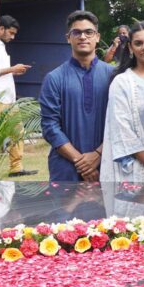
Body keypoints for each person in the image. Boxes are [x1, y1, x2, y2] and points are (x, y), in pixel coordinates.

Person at [39, 10, 116, 181]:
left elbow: (121, 123)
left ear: (97, 37)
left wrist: (97, 155)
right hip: (65, 168)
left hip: (107, 166)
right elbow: (50, 126)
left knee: (108, 208)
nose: (83, 37)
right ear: (68, 38)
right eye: (77, 32)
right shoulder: (54, 78)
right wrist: (80, 161)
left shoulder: (114, 76)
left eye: (89, 32)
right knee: (65, 208)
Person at [100, 21, 144, 183]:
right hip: (139, 166)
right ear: (130, 48)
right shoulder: (123, 82)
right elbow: (121, 128)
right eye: (138, 43)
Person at [0, 15, 35, 177]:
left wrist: (14, 71)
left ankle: (16, 168)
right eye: (10, 32)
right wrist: (12, 69)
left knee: (17, 132)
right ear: (1, 29)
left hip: (8, 99)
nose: (13, 36)